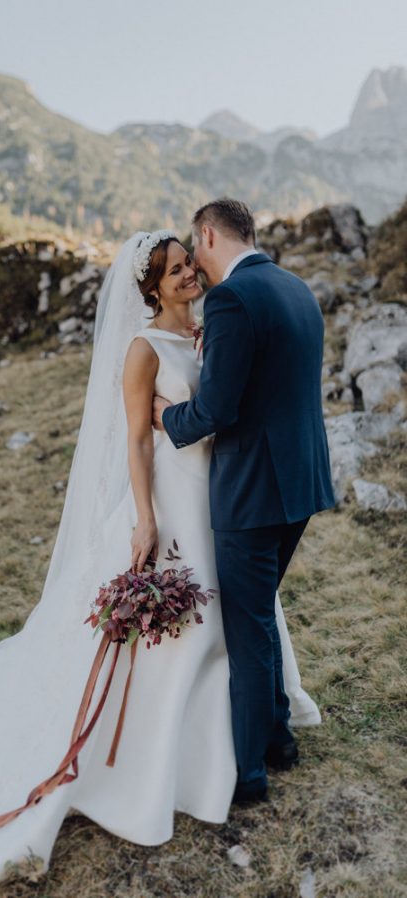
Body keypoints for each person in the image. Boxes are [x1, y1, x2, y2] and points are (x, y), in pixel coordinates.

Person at [0, 227, 321, 898]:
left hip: (221, 498)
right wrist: (145, 518)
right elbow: (137, 440)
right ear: (151, 288)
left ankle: (244, 738)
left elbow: (220, 405)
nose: (189, 274)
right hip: (173, 504)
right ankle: (162, 758)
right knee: (192, 629)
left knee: (240, 616)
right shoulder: (143, 350)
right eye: (173, 270)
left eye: (188, 263)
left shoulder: (207, 333)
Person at [153, 199, 336, 804]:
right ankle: (279, 739)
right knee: (259, 614)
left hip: (253, 491)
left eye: (194, 249)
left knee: (248, 628)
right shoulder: (295, 286)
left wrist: (165, 415)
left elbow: (215, 410)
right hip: (301, 483)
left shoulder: (231, 299)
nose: (195, 265)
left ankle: (250, 771)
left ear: (208, 235)